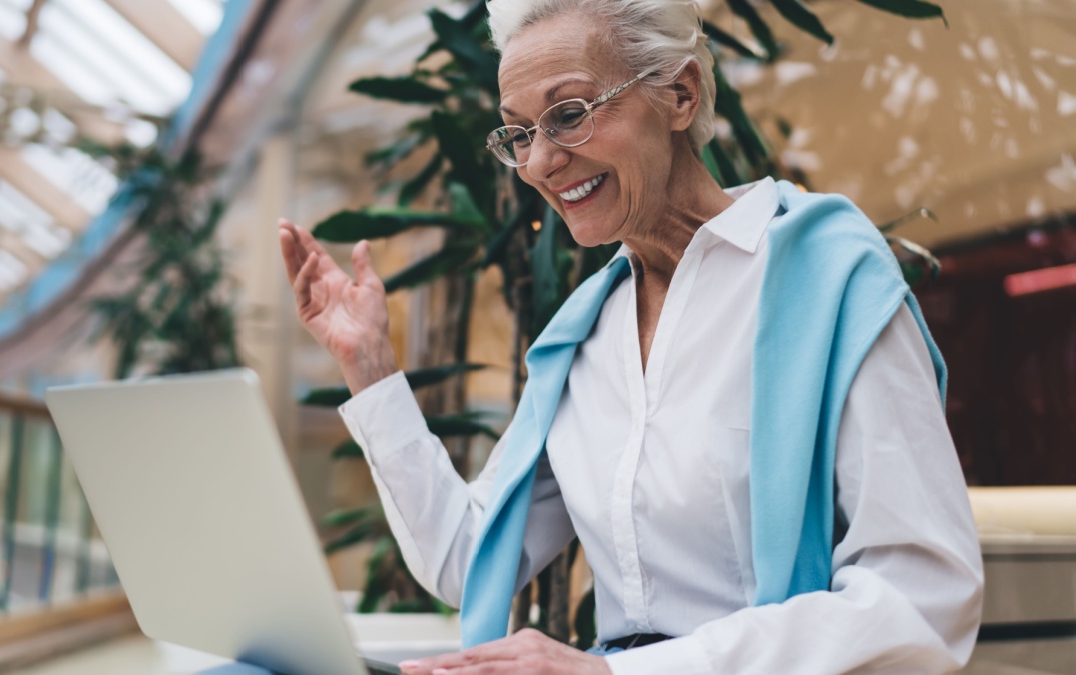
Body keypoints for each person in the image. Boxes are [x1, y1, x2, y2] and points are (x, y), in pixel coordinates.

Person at [277, 0, 983, 672]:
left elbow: (921, 599)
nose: (538, 163)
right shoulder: (581, 336)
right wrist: (370, 365)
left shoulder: (831, 278)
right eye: (519, 132)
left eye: (571, 113)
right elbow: (468, 558)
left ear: (679, 94)